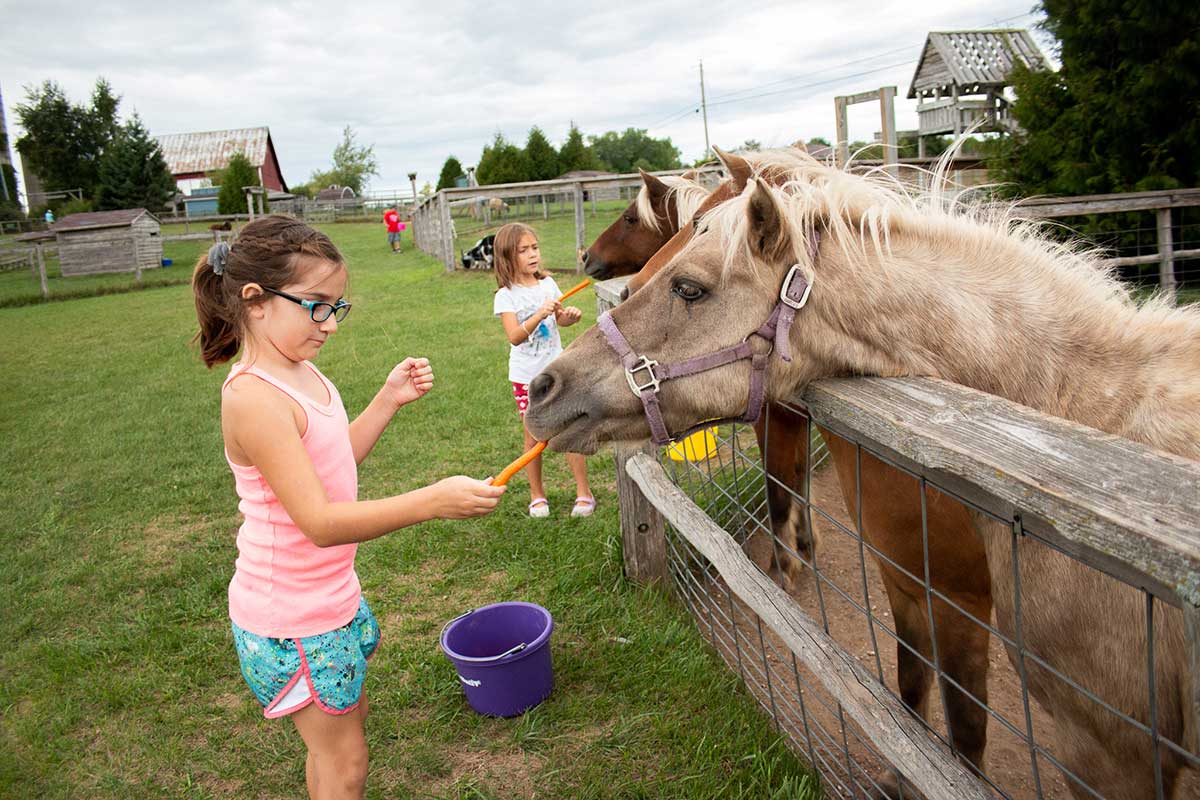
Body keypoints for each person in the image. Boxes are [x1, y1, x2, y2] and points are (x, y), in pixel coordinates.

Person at [191, 215, 505, 799]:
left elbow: (334, 469)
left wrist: (386, 401)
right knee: (346, 762)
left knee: (338, 741)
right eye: (317, 304)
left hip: (328, 600)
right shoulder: (255, 397)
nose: (331, 323)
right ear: (255, 301)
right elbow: (320, 522)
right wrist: (432, 501)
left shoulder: (303, 373)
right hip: (290, 620)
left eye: (338, 306)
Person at [491, 222, 594, 518]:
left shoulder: (548, 284)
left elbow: (559, 319)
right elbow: (514, 336)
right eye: (523, 250)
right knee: (533, 437)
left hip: (557, 373)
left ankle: (584, 493)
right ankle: (537, 496)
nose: (532, 254)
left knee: (570, 431)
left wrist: (569, 318)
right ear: (507, 257)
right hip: (526, 378)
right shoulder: (506, 296)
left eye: (534, 248)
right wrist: (538, 314)